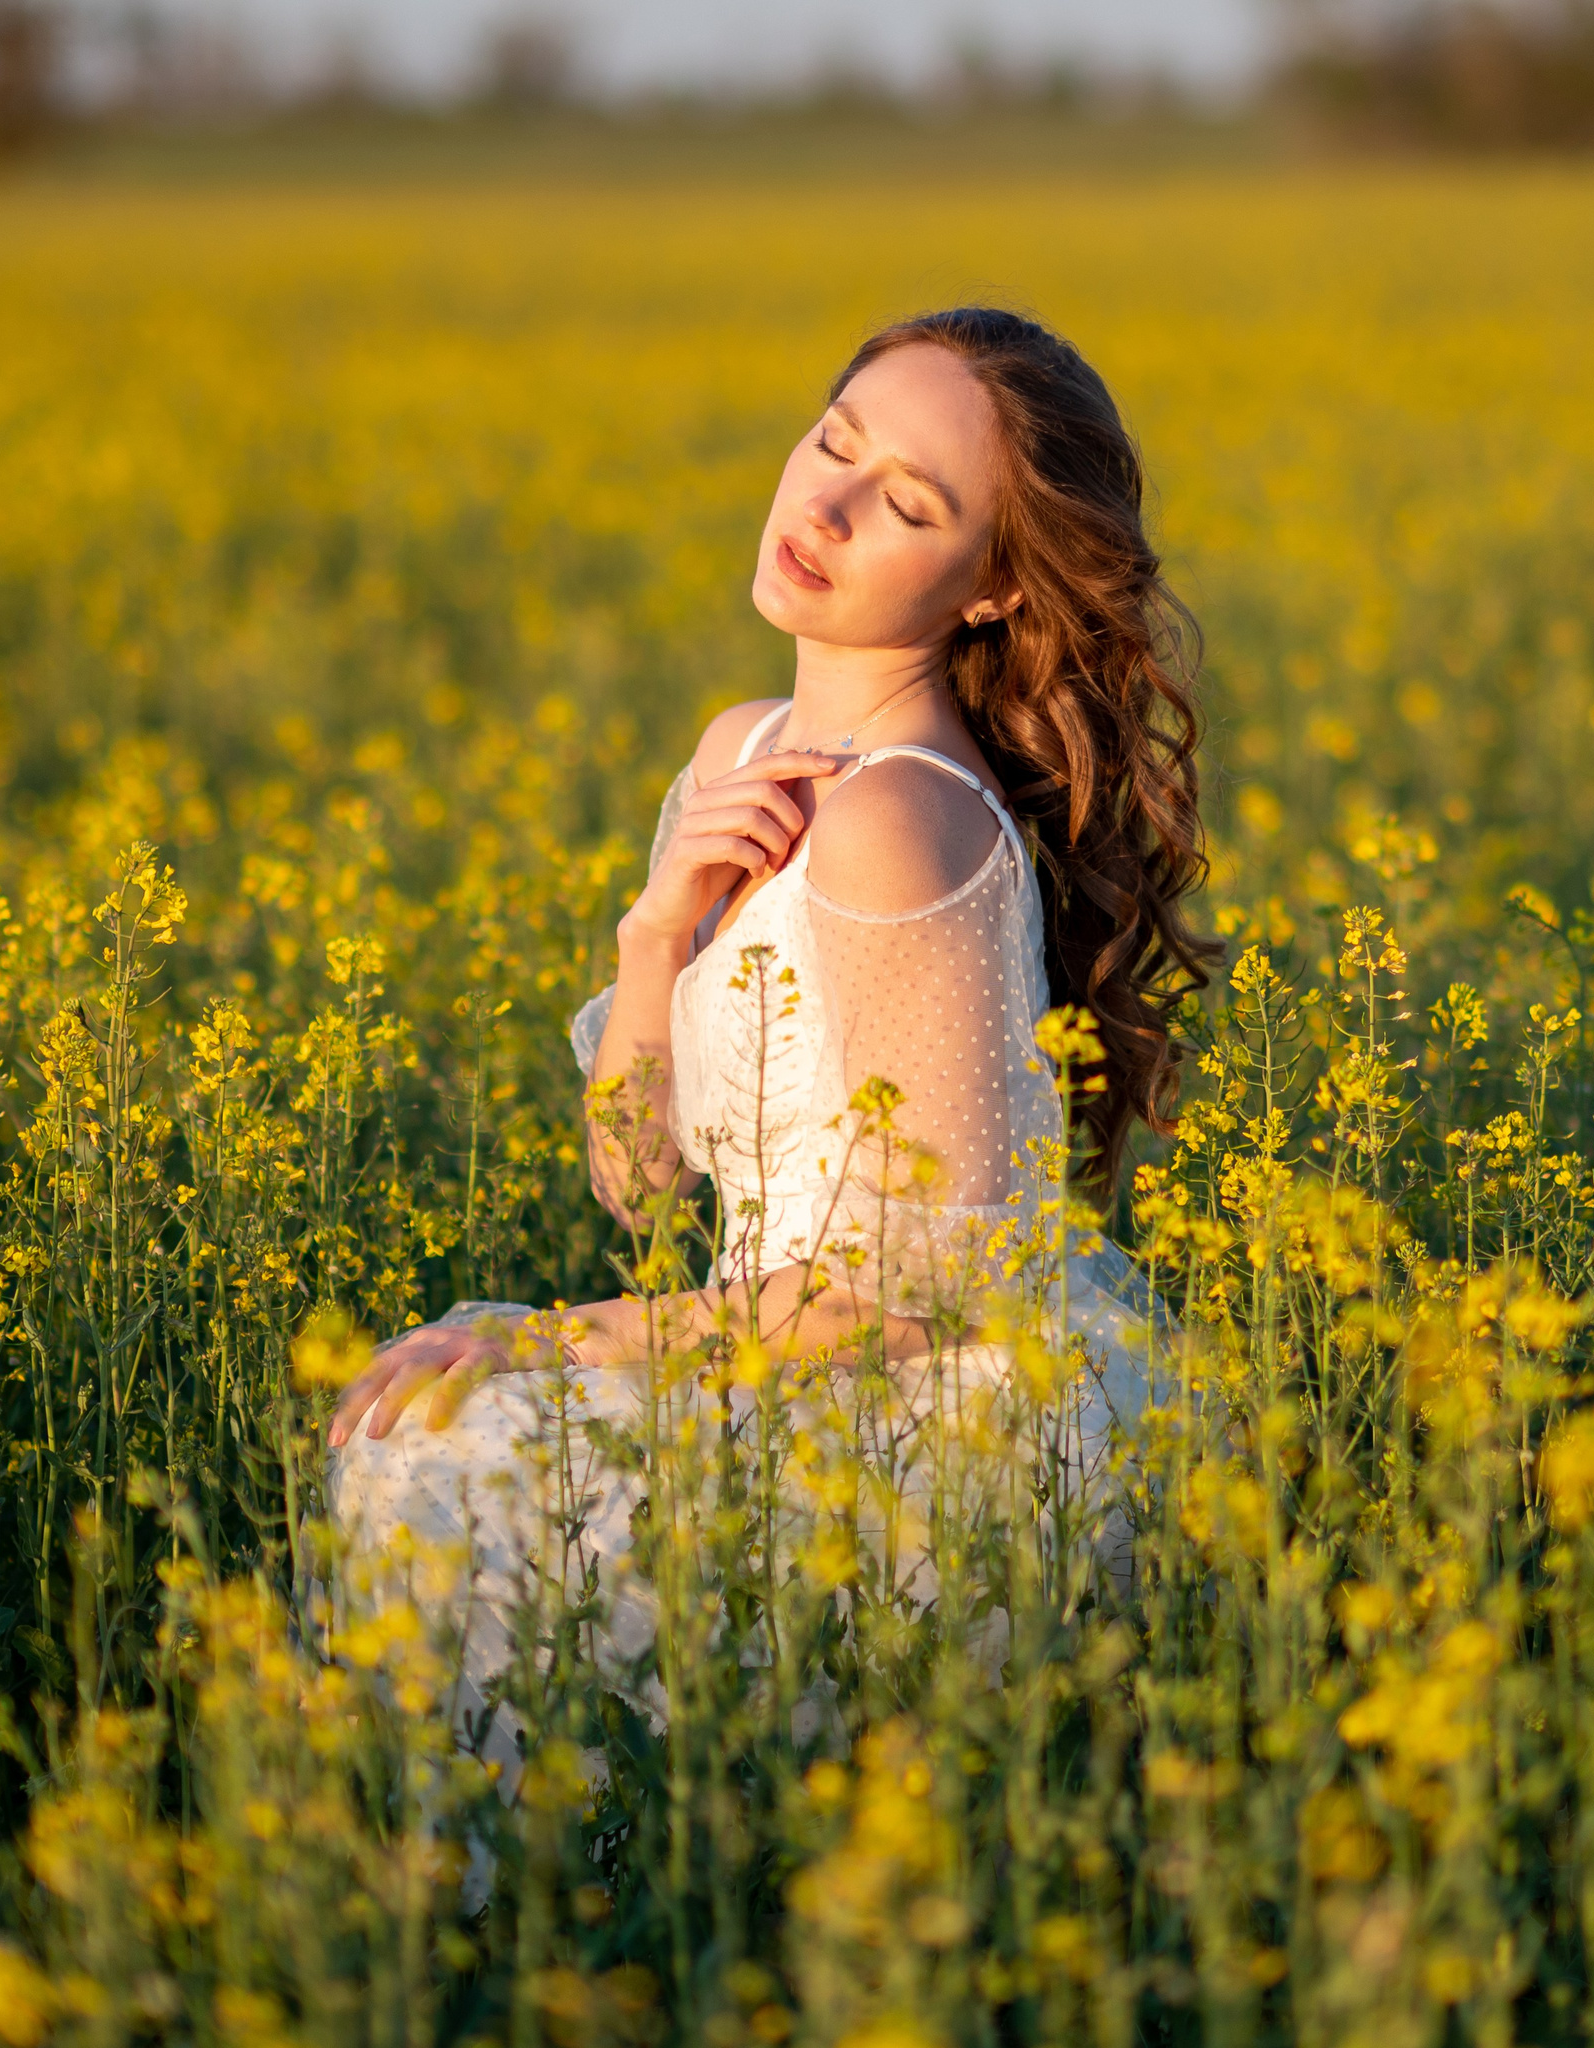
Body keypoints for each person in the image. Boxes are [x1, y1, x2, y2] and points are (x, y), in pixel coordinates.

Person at [323, 307, 1212, 1688]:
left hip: (912, 1423)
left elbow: (909, 1295)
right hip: (768, 1350)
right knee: (423, 1431)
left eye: (906, 505)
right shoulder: (744, 749)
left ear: (992, 590)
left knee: (440, 1458)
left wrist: (547, 1339)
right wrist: (653, 937)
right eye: (834, 443)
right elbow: (640, 1183)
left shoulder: (897, 818)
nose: (827, 507)